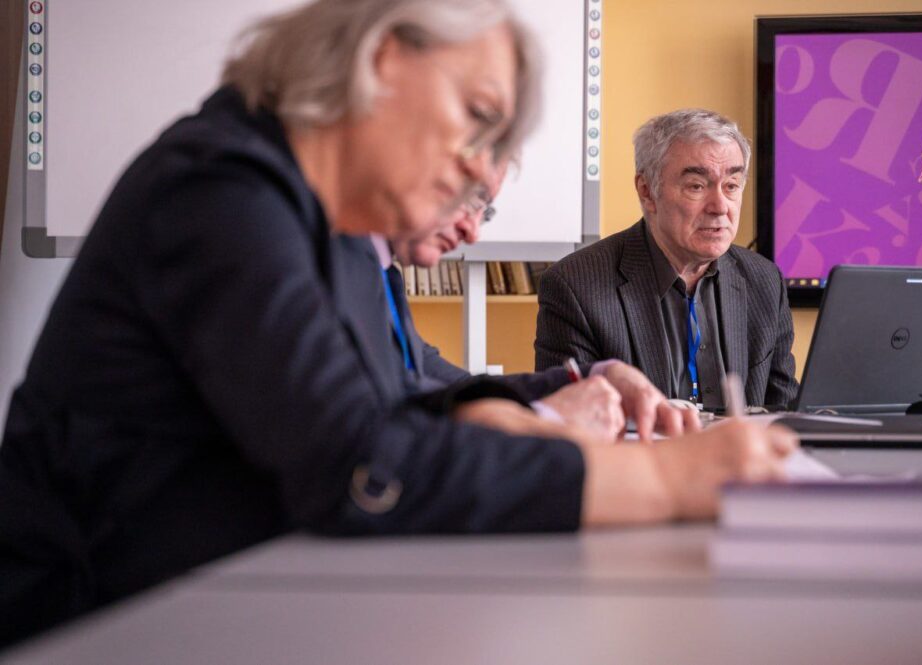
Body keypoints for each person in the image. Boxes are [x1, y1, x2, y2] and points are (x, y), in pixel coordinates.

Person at [0, 2, 796, 646]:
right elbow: (363, 465)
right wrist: (664, 480)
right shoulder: (221, 191)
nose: (481, 169)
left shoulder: (331, 225)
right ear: (384, 61)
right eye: (478, 117)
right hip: (101, 623)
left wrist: (574, 383)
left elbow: (402, 390)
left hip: (228, 598)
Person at [376, 161, 700, 440]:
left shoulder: (382, 271)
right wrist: (545, 419)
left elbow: (450, 388)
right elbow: (374, 429)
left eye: (485, 211)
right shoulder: (353, 268)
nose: (472, 234)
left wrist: (597, 374)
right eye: (471, 199)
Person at [534, 109, 798, 410]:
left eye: (732, 186)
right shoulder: (576, 287)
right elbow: (570, 423)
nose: (720, 206)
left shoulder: (764, 280)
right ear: (647, 191)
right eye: (697, 186)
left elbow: (786, 414)